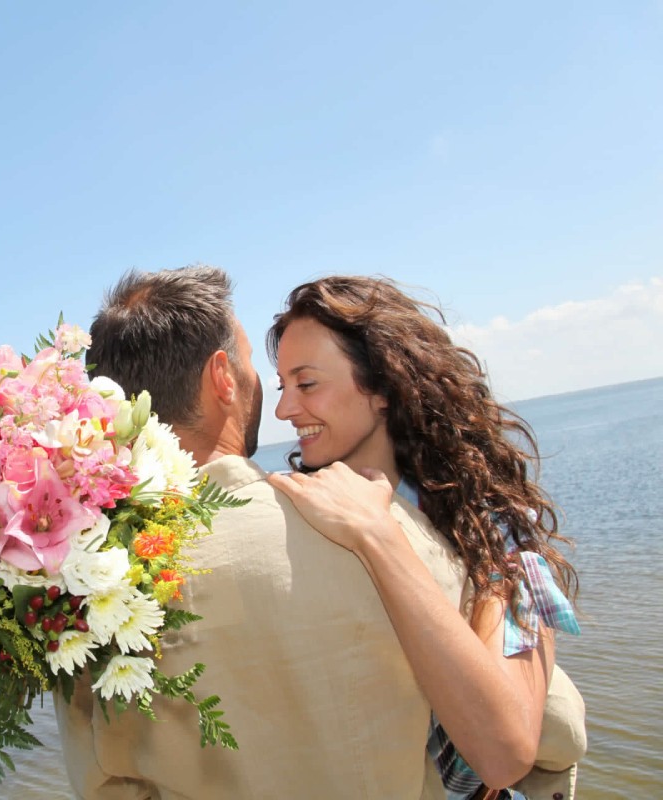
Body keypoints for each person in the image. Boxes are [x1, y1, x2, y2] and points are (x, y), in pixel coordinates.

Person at [55, 265, 469, 799]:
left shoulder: (75, 587)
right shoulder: (381, 528)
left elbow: (102, 782)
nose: (272, 399)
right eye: (251, 364)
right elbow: (542, 736)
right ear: (222, 376)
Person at [263, 276, 583, 800]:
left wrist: (377, 536)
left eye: (307, 384)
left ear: (383, 388)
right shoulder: (291, 511)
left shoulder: (492, 535)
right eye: (282, 387)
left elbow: (504, 754)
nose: (283, 410)